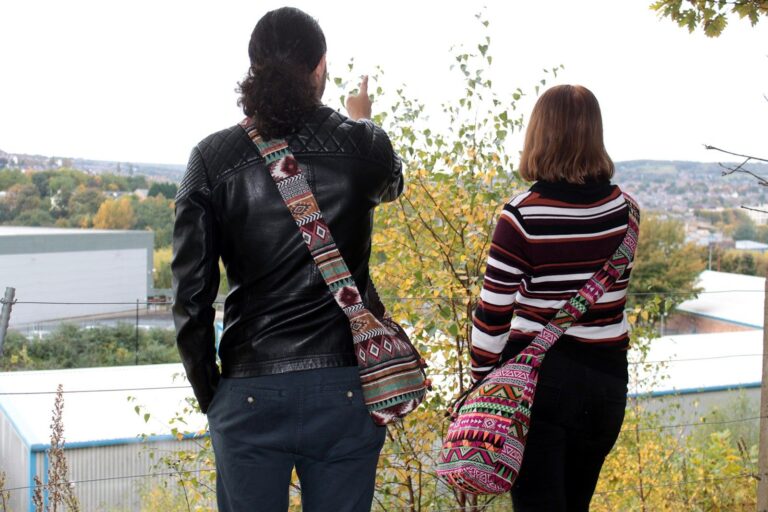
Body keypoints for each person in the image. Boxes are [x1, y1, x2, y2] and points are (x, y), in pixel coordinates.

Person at [171, 7, 403, 511]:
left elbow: (190, 298)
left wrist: (212, 394)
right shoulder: (362, 146)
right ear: (320, 67)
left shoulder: (210, 158)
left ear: (254, 67)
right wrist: (362, 120)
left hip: (249, 386)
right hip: (345, 386)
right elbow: (392, 183)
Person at [469, 84, 639, 511]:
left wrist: (483, 385)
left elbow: (492, 316)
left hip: (537, 385)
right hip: (607, 383)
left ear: (539, 134)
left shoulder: (521, 215)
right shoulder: (628, 211)